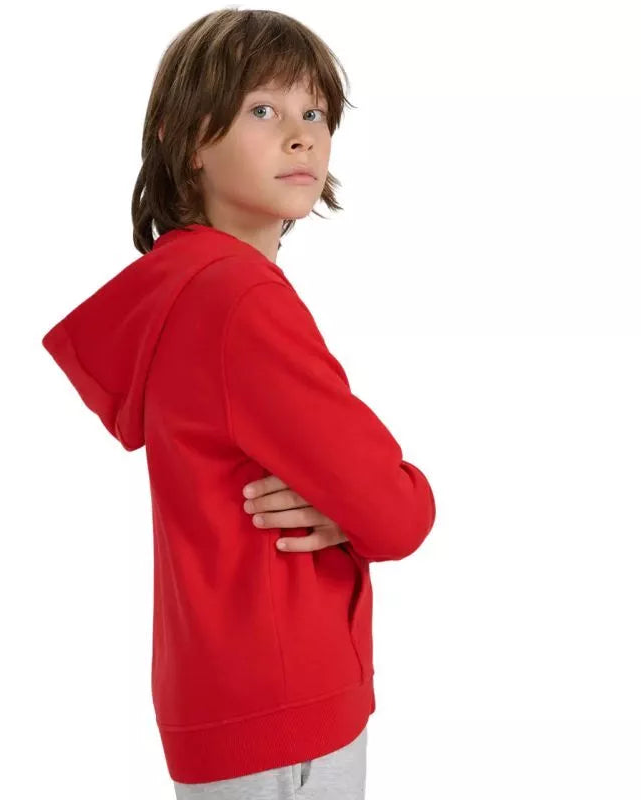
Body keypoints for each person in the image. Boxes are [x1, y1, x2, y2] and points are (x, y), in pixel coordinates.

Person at [41, 8, 436, 798]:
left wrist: (345, 502)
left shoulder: (180, 291)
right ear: (189, 139)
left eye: (314, 113)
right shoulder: (241, 300)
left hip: (218, 693)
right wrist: (371, 503)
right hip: (288, 700)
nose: (301, 137)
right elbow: (397, 515)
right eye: (263, 109)